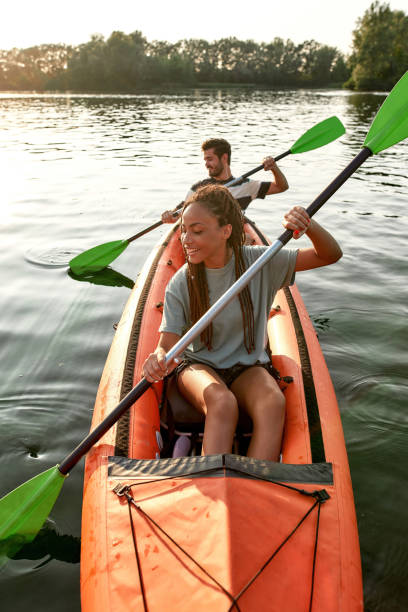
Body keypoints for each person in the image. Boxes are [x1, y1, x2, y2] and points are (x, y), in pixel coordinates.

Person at [143, 184, 342, 461]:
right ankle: (210, 482)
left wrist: (308, 225)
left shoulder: (260, 263)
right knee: (221, 402)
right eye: (184, 229)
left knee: (273, 403)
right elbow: (167, 345)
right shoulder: (182, 281)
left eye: (197, 230)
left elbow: (329, 255)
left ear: (226, 231)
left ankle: (259, 489)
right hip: (198, 365)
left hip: (247, 366)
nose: (186, 238)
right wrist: (158, 357)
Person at [161, 138, 288, 223]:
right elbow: (178, 215)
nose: (206, 164)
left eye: (210, 159)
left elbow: (281, 187)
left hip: (233, 239)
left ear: (224, 158)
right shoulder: (198, 189)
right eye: (205, 160)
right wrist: (169, 215)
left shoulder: (246, 185)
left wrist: (274, 168)